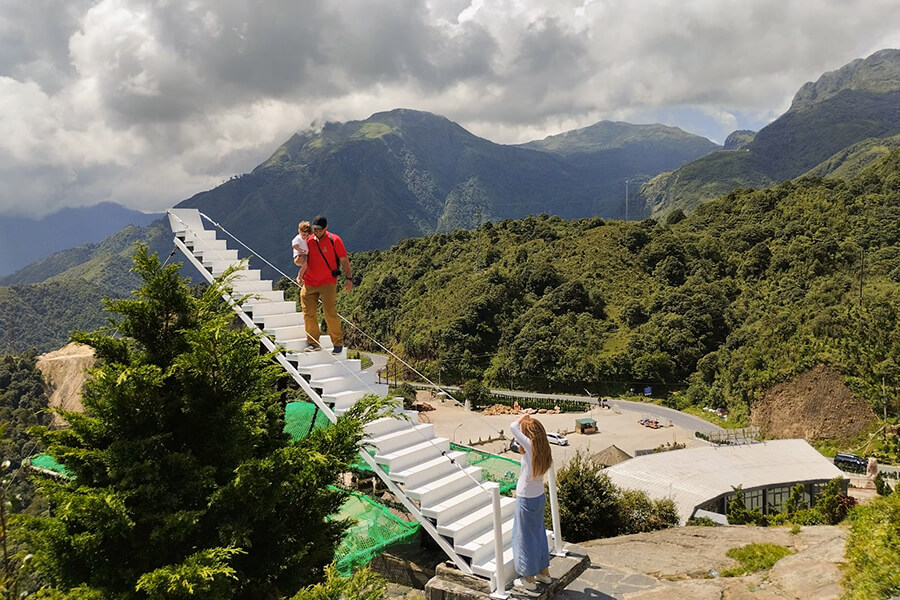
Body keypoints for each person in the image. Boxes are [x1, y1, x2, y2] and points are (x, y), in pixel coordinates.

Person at [509, 413, 552, 594]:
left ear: (529, 436)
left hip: (526, 498)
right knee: (538, 533)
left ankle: (528, 579)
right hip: (539, 497)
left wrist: (522, 417)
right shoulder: (544, 449)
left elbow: (512, 427)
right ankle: (544, 572)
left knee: (524, 537)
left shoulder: (531, 446)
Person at [301, 215, 353, 355]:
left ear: (326, 228)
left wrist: (349, 278)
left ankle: (337, 343)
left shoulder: (334, 240)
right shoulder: (308, 240)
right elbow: (303, 259)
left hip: (328, 283)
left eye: (319, 229)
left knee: (330, 313)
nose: (316, 232)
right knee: (308, 313)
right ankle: (313, 343)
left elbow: (344, 260)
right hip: (310, 282)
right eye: (314, 229)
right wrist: (300, 272)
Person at [292, 220, 311, 285]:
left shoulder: (307, 238)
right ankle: (299, 277)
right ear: (299, 231)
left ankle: (303, 277)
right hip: (299, 255)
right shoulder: (298, 238)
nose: (305, 236)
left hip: (305, 255)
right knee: (305, 265)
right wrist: (301, 250)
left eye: (307, 235)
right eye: (303, 234)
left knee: (306, 266)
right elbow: (294, 245)